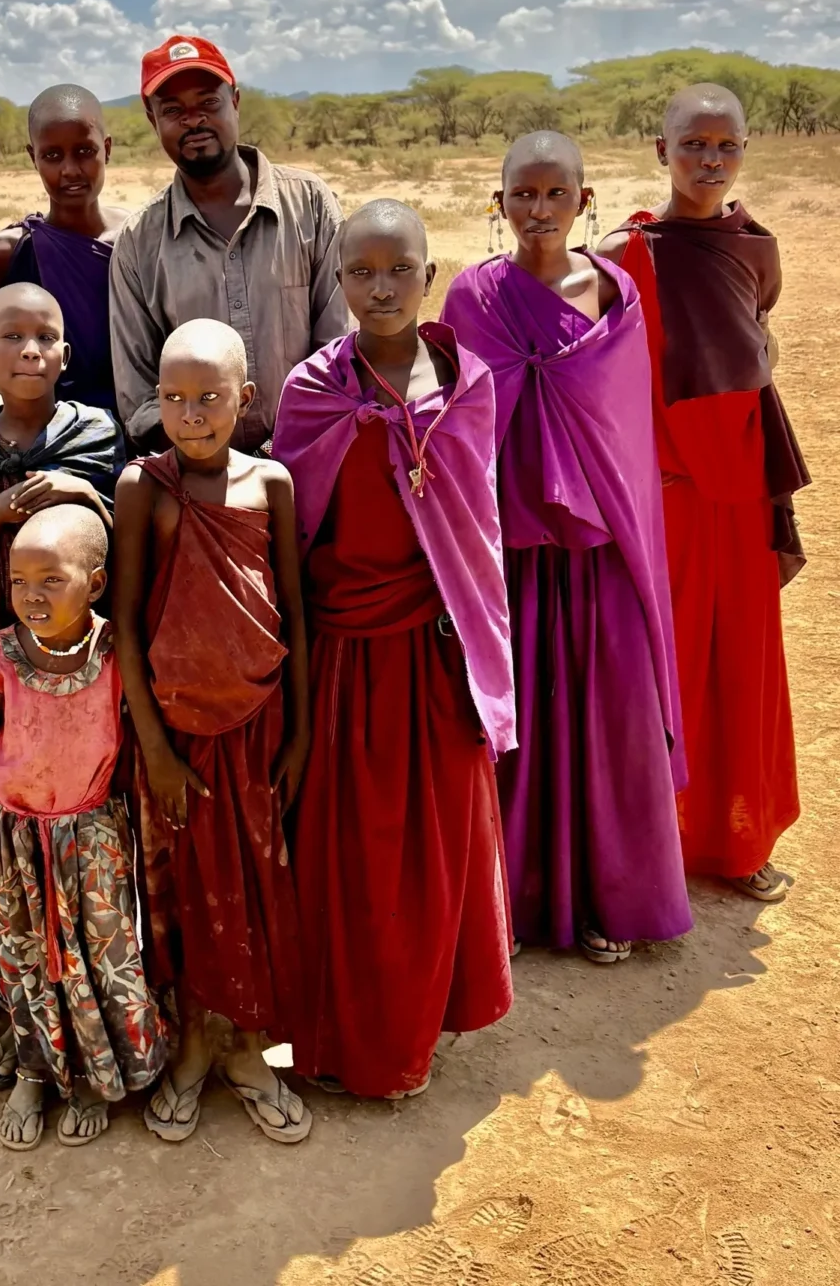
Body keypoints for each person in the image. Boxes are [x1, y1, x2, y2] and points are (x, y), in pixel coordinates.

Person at [273, 200, 516, 1101]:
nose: (381, 289)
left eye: (399, 270)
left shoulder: (466, 384)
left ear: (430, 275)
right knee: (346, 857)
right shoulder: (312, 389)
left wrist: (477, 653)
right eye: (361, 273)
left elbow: (475, 534)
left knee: (431, 852)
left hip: (433, 650)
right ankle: (340, 1040)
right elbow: (291, 535)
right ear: (337, 282)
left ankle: (415, 1029)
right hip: (341, 654)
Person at [442, 135, 691, 963]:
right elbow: (459, 424)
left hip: (599, 548)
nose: (539, 210)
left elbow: (623, 430)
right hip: (512, 552)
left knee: (608, 720)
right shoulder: (473, 296)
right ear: (500, 201)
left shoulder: (617, 293)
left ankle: (608, 898)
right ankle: (513, 899)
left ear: (584, 201)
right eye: (523, 194)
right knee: (516, 725)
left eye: (556, 195)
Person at [600, 85, 808, 903]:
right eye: (693, 144)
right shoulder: (626, 254)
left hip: (742, 491)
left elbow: (752, 346)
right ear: (662, 151)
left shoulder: (756, 247)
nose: (710, 160)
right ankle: (651, 853)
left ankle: (739, 841)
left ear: (745, 151)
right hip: (668, 494)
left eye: (727, 145)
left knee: (744, 668)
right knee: (667, 669)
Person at [112, 318, 312, 1146]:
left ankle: (250, 1050)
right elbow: (124, 624)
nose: (190, 416)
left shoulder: (272, 484)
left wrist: (299, 734)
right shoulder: (143, 487)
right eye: (173, 398)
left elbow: (295, 612)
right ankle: (194, 1045)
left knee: (258, 888)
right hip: (176, 739)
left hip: (258, 728)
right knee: (184, 896)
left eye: (209, 398)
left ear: (246, 399)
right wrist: (156, 749)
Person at [0, 281, 123, 1066]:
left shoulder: (97, 435)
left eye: (45, 336)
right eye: (11, 338)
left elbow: (117, 549)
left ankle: (92, 994)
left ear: (66, 354)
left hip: (81, 670)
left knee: (84, 821)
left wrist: (81, 492)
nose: (30, 350)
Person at [0, 505, 166, 1150]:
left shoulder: (116, 651)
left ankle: (94, 1075)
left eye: (51, 580)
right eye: (18, 582)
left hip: (93, 838)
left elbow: (135, 747)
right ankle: (35, 1071)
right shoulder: (1, 654)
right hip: (13, 840)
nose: (31, 596)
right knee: (25, 959)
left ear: (95, 584)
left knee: (103, 956)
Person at [110, 34, 348, 453]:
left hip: (312, 457)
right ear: (152, 120)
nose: (193, 120)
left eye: (208, 102)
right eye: (173, 110)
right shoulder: (137, 244)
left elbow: (340, 353)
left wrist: (282, 453)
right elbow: (140, 398)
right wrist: (214, 465)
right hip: (195, 475)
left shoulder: (310, 204)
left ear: (235, 102)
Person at [0, 84, 130, 417]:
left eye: (84, 151)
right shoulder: (3, 253)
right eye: (52, 156)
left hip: (138, 427)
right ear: (33, 157)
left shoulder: (136, 238)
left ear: (107, 149)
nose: (70, 169)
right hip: (46, 431)